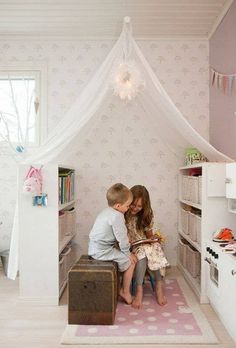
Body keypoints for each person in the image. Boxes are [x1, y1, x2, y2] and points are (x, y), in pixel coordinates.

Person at [88, 183, 137, 305]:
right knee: (131, 262)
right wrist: (128, 253)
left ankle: (119, 285)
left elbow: (113, 235)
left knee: (123, 257)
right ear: (119, 205)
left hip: (94, 247)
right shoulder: (117, 216)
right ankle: (125, 291)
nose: (129, 208)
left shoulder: (106, 211)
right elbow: (121, 238)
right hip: (102, 251)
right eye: (127, 206)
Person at [125, 185, 169, 309]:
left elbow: (149, 235)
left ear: (144, 206)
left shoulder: (147, 214)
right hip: (131, 246)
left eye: (139, 206)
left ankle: (156, 287)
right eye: (133, 205)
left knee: (152, 248)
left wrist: (154, 238)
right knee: (143, 252)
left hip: (144, 244)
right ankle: (141, 290)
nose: (135, 208)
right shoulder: (124, 214)